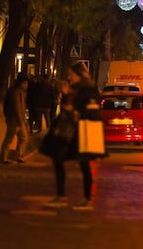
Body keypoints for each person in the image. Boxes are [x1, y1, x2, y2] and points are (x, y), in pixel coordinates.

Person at [44, 61, 101, 210]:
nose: (69, 77)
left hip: (81, 131)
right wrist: (66, 96)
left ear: (79, 75)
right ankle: (61, 195)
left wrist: (76, 110)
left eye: (71, 75)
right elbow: (67, 107)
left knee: (84, 163)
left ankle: (87, 199)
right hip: (68, 132)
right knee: (58, 159)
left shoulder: (89, 90)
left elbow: (92, 110)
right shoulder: (74, 89)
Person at [0, 73, 30, 164]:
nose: (26, 85)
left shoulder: (20, 92)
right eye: (25, 83)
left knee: (24, 138)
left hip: (17, 120)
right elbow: (17, 108)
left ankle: (18, 155)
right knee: (9, 139)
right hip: (15, 121)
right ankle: (4, 157)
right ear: (21, 83)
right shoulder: (16, 93)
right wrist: (22, 121)